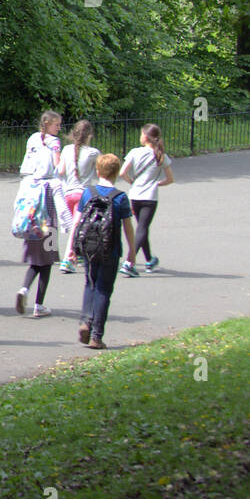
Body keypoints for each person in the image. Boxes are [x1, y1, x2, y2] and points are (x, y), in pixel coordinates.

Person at [77, 154, 136, 349]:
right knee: (104, 289)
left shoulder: (88, 193)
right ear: (118, 173)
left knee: (89, 283)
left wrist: (71, 247)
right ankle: (96, 336)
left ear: (97, 171)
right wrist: (132, 252)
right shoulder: (121, 197)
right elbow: (128, 227)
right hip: (110, 249)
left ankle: (85, 321)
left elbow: (78, 222)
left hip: (89, 247)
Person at [15, 110, 66, 317]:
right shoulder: (54, 143)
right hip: (48, 214)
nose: (59, 129)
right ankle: (38, 304)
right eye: (57, 125)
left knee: (35, 258)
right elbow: (58, 167)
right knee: (48, 258)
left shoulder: (33, 139)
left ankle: (24, 289)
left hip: (31, 213)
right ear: (48, 124)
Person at [119, 124, 174, 276]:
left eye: (141, 134)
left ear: (146, 137)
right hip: (150, 197)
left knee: (142, 228)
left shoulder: (135, 152)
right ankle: (130, 262)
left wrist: (132, 182)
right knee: (142, 228)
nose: (140, 136)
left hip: (135, 195)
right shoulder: (160, 155)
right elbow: (170, 179)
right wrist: (157, 183)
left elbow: (123, 172)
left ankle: (149, 259)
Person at [58, 120, 100, 274]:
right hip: (83, 194)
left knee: (78, 226)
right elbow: (101, 169)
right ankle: (68, 258)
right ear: (89, 135)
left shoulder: (66, 150)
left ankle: (79, 254)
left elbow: (61, 170)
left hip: (68, 194)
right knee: (78, 227)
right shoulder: (93, 152)